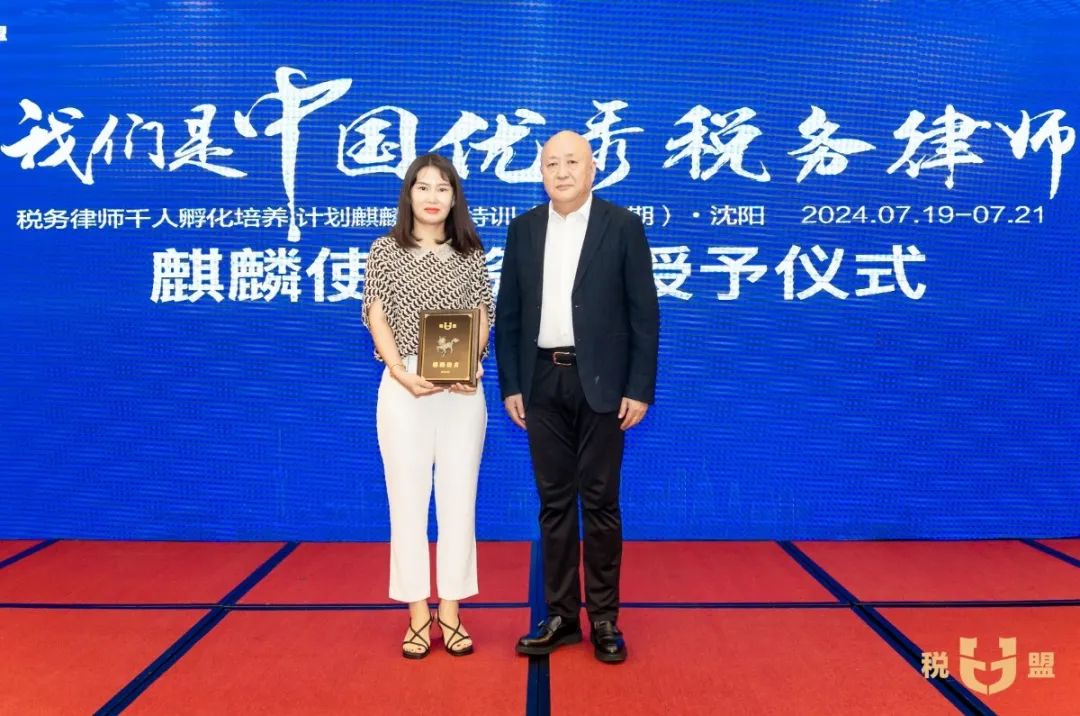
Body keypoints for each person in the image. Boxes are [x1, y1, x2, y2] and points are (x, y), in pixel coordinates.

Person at [495, 130, 659, 663]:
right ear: (540, 173)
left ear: (592, 170)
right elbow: (509, 314)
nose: (561, 172)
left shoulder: (622, 226)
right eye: (551, 164)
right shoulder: (523, 230)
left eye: (572, 162)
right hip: (542, 381)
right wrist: (512, 384)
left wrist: (638, 388)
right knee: (554, 503)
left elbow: (644, 315)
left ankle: (605, 618)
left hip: (604, 385)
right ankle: (562, 616)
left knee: (601, 502)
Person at [362, 153, 494, 659]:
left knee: (460, 501)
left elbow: (483, 313)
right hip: (404, 387)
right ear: (409, 195)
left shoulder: (470, 252)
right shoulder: (385, 250)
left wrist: (472, 363)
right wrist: (399, 371)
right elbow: (375, 313)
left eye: (443, 187)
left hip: (462, 391)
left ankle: (452, 611)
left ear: (455, 197)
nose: (433, 196)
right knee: (407, 503)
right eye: (423, 187)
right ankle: (418, 613)